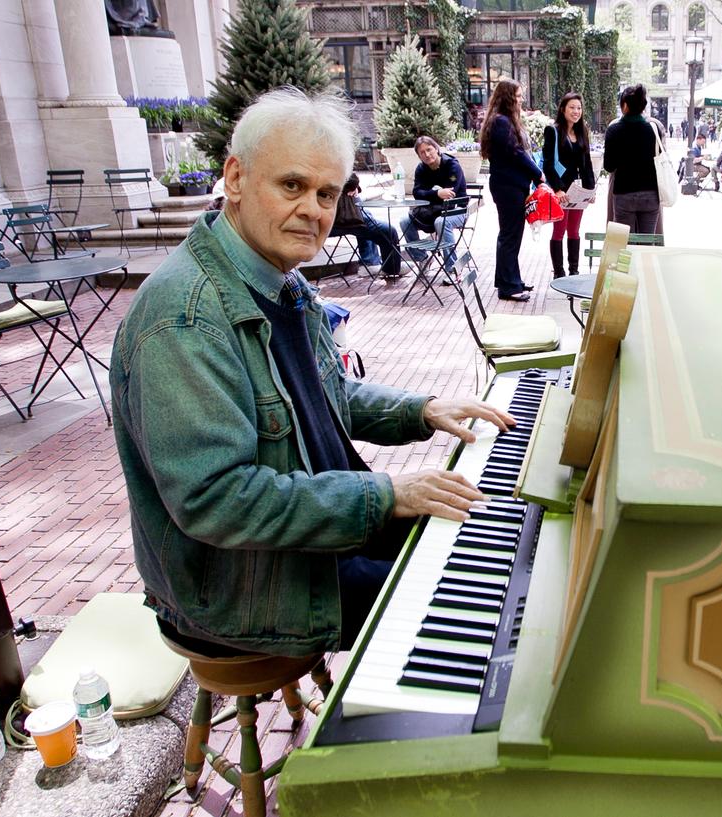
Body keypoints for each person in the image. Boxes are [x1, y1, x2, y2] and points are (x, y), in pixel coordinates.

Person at [110, 87, 513, 658]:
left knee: (487, 539)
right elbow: (216, 500)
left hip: (314, 536)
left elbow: (328, 395)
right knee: (477, 605)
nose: (315, 211)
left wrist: (420, 411)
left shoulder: (279, 277)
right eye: (292, 186)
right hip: (243, 589)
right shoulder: (185, 318)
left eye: (327, 193)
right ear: (235, 177)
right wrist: (385, 493)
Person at [480, 78, 543, 301]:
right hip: (508, 187)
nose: (521, 99)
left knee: (510, 235)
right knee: (510, 236)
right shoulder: (501, 122)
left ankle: (510, 279)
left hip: (510, 186)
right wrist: (538, 174)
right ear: (508, 97)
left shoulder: (502, 120)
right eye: (518, 95)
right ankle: (508, 286)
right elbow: (516, 153)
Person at [542, 91, 596, 278]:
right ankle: (559, 272)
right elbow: (547, 164)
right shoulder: (553, 131)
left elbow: (586, 163)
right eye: (572, 107)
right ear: (563, 109)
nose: (576, 111)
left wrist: (590, 190)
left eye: (579, 108)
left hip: (577, 190)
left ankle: (574, 270)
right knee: (559, 230)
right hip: (561, 191)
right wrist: (557, 189)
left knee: (574, 230)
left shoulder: (582, 131)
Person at [401, 136, 467, 279]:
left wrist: (430, 194)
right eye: (422, 152)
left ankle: (452, 269)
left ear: (436, 148)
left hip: (456, 210)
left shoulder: (452, 165)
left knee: (441, 222)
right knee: (404, 222)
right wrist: (437, 193)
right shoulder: (421, 169)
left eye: (429, 149)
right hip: (431, 212)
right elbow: (416, 193)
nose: (427, 154)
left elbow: (451, 192)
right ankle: (423, 259)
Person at [603, 84, 662, 235]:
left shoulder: (614, 130)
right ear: (643, 107)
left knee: (624, 244)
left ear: (625, 105)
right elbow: (659, 158)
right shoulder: (654, 130)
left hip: (624, 194)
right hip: (650, 194)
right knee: (646, 244)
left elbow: (609, 166)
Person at [331, 173, 403, 278]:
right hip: (344, 220)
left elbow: (350, 182)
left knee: (366, 216)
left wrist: (354, 188)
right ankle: (390, 269)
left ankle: (370, 262)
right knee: (389, 231)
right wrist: (352, 186)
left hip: (338, 221)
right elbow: (351, 179)